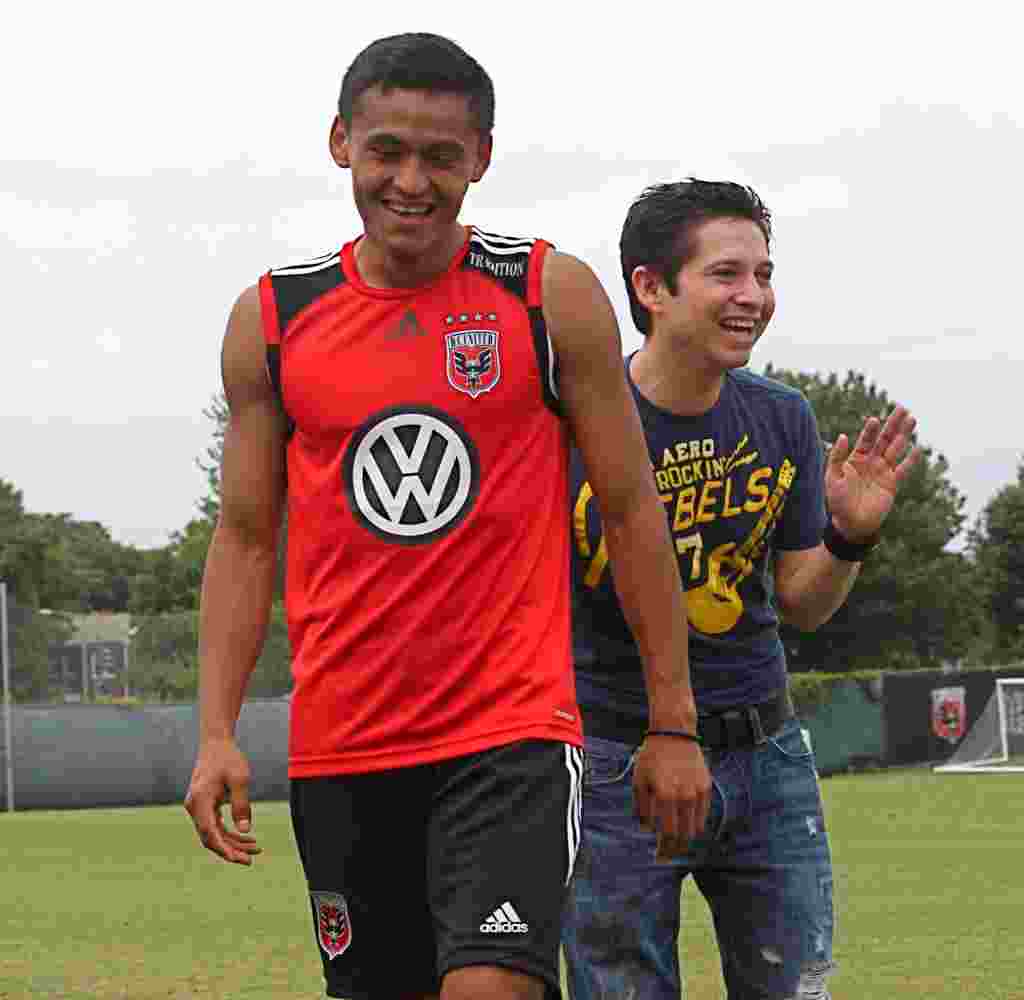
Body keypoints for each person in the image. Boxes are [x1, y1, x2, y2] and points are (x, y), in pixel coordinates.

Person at [183, 34, 709, 1000]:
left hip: (508, 734)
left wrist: (673, 719)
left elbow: (633, 510)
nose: (411, 182)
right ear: (341, 143)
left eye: (441, 157)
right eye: (387, 151)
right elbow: (248, 536)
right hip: (343, 743)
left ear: (483, 158)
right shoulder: (273, 319)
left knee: (488, 989)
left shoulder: (545, 294)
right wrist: (217, 732)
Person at [561, 179, 921, 1000]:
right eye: (726, 274)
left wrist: (850, 533)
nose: (752, 297)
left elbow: (800, 601)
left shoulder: (781, 416)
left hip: (768, 754)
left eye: (763, 274)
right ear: (651, 287)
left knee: (794, 989)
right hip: (620, 758)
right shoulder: (575, 423)